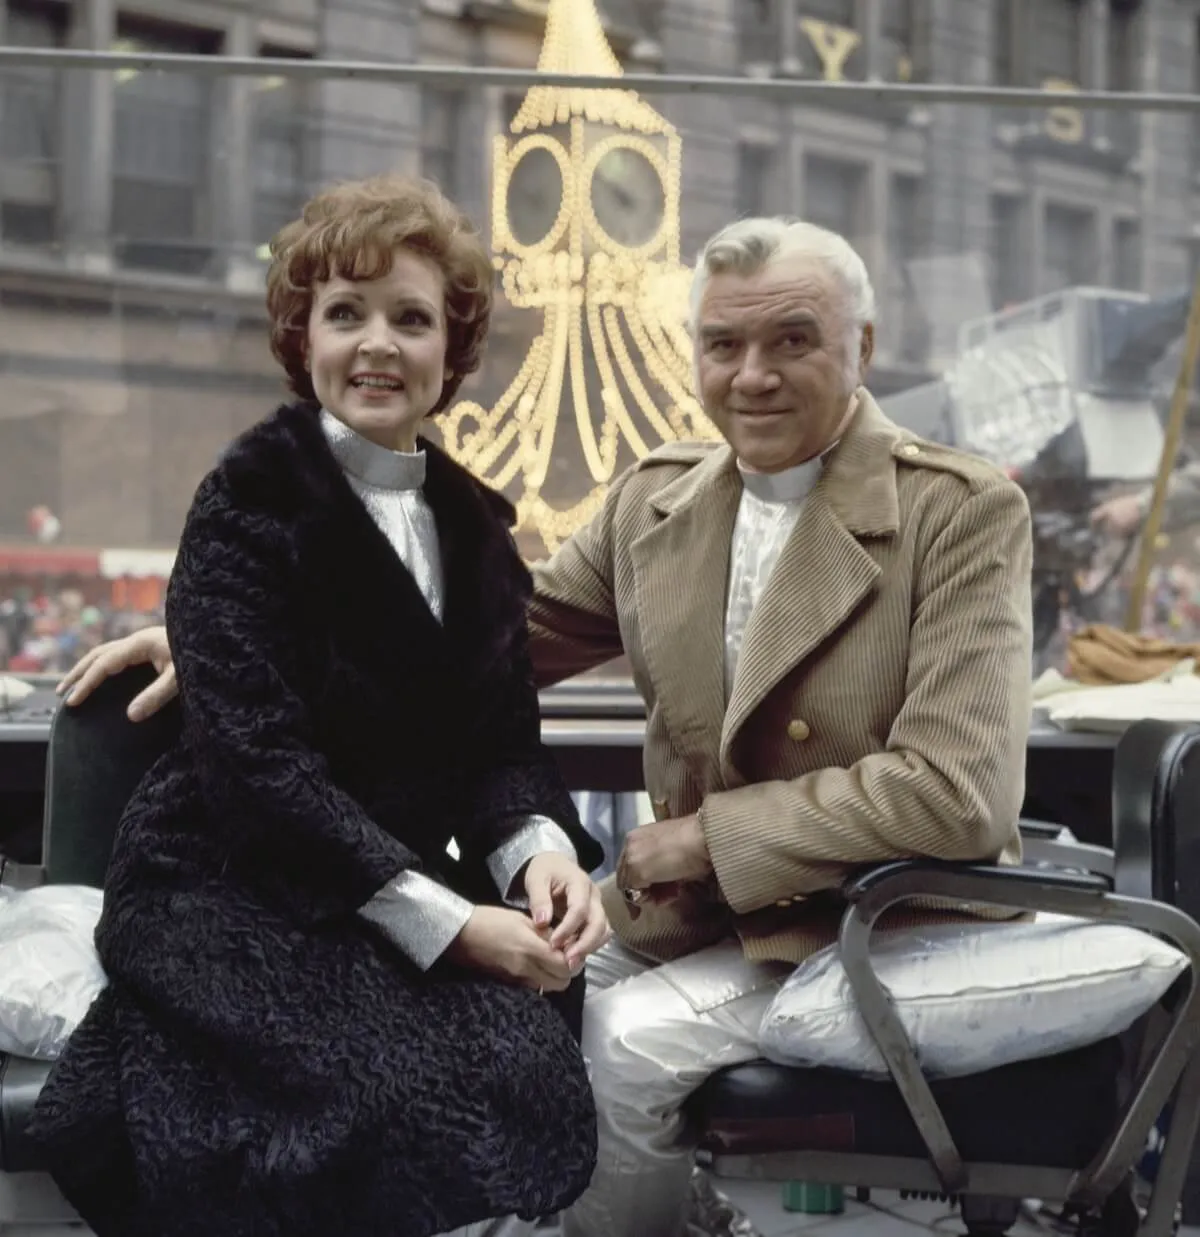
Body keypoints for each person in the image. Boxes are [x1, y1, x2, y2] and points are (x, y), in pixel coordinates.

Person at [58, 215, 1034, 1237]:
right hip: (674, 919)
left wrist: (704, 838)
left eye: (793, 340)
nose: (752, 376)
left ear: (862, 349)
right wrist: (215, 633)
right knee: (510, 1034)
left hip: (863, 919)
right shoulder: (657, 507)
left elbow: (956, 791)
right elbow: (447, 648)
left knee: (581, 1038)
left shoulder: (959, 510)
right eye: (722, 344)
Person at [29, 173, 610, 1237]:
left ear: (455, 350)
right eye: (345, 314)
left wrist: (541, 856)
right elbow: (261, 774)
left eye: (411, 317)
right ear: (304, 341)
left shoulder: (480, 528)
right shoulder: (247, 499)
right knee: (384, 1094)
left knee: (526, 1050)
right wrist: (456, 926)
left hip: (363, 893)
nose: (377, 343)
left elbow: (500, 747)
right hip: (221, 886)